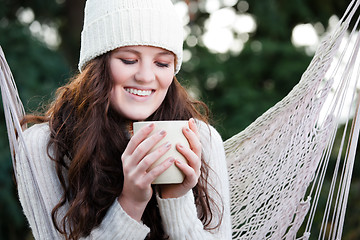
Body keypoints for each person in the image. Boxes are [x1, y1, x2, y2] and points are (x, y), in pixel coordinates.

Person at [15, 0, 231, 239]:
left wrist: (175, 200)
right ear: (97, 63)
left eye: (162, 63)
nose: (146, 77)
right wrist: (130, 203)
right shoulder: (44, 145)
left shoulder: (201, 139)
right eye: (129, 60)